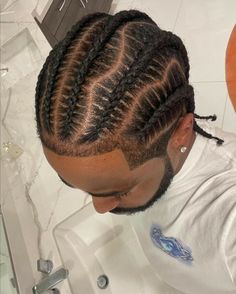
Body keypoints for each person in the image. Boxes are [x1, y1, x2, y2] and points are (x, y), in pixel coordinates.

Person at [35, 10, 236, 294]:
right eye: (69, 181)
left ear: (181, 131)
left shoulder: (229, 217)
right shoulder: (149, 149)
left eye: (121, 191)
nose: (99, 208)